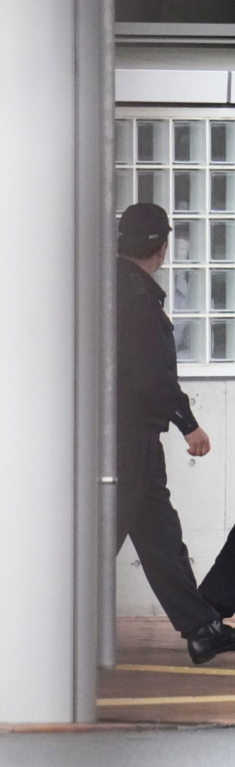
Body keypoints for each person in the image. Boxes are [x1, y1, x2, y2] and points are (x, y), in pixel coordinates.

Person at [115, 202, 235, 664]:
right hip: (128, 437)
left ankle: (202, 629)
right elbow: (152, 375)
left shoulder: (105, 287)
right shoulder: (138, 297)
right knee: (98, 537)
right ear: (162, 249)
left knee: (159, 533)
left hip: (127, 434)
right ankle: (27, 618)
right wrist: (189, 424)